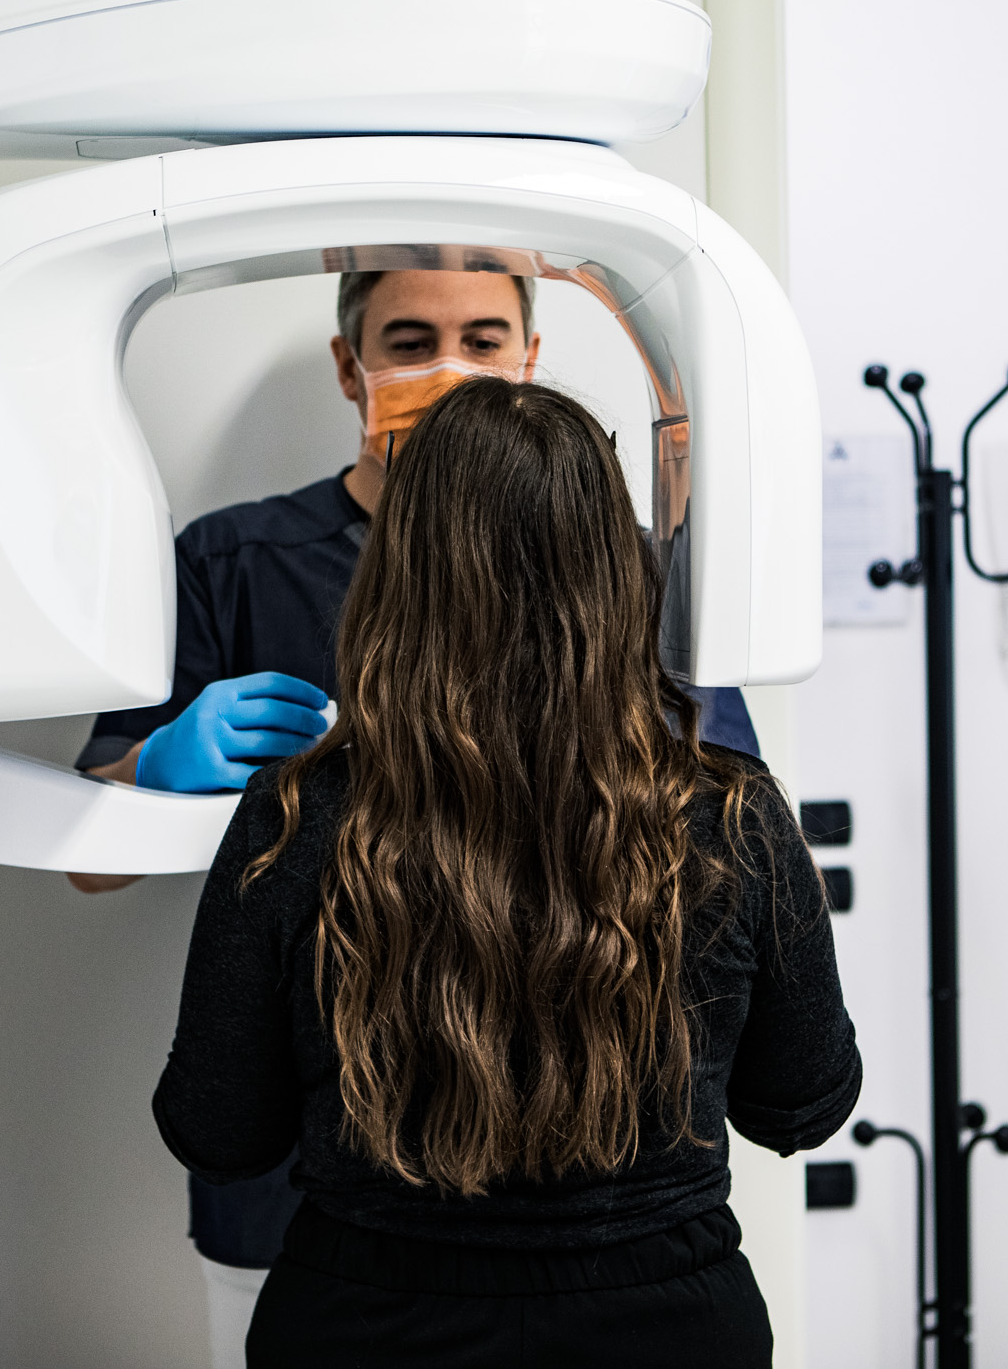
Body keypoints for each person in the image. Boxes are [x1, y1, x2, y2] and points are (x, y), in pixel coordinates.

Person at [68, 248, 764, 1360]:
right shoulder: (235, 562)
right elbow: (88, 861)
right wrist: (152, 765)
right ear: (349, 365)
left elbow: (727, 830)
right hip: (301, 1186)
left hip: (599, 1189)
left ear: (529, 358)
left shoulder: (624, 571)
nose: (449, 367)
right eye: (409, 342)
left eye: (482, 339)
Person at [154, 377, 861, 1367]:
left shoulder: (295, 816)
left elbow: (218, 1131)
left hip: (366, 1326)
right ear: (622, 570)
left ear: (398, 573)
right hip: (663, 1328)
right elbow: (802, 1103)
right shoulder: (730, 813)